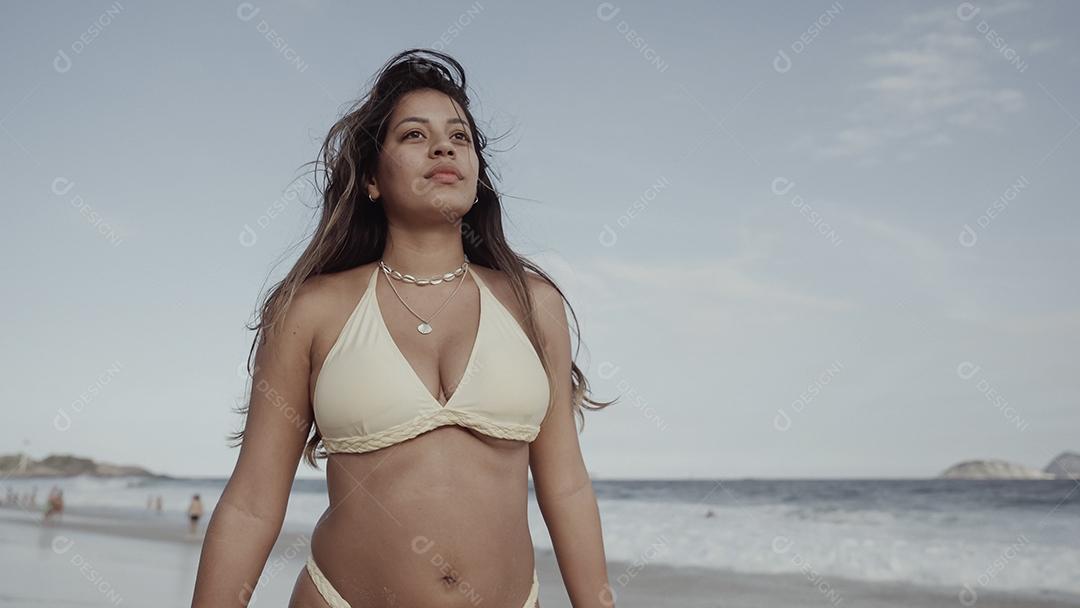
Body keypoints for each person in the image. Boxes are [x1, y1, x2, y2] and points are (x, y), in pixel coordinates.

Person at [191, 49, 618, 608]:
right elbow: (251, 502)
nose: (444, 147)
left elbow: (566, 487)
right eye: (414, 135)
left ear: (476, 172)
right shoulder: (311, 310)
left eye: (459, 137)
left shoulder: (533, 305)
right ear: (371, 178)